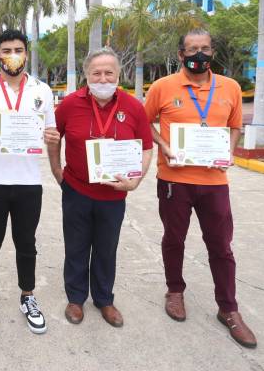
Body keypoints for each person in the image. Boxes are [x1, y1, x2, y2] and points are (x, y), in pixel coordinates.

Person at [144, 28, 256, 348]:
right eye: (192, 49)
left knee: (221, 246)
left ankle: (229, 309)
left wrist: (229, 152)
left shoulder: (230, 87)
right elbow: (145, 120)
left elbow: (235, 127)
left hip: (214, 182)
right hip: (174, 180)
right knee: (174, 239)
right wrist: (164, 146)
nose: (199, 55)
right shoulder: (163, 87)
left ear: (213, 52)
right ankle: (175, 291)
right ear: (180, 54)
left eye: (205, 48)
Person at [47, 47, 153, 328]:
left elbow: (146, 148)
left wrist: (137, 179)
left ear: (119, 75)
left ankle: (104, 299)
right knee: (76, 246)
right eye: (97, 72)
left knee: (107, 248)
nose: (103, 78)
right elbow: (54, 139)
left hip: (113, 195)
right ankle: (75, 298)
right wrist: (57, 170)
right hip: (77, 190)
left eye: (109, 72)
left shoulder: (133, 107)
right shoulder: (69, 104)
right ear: (86, 75)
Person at [0, 29, 60, 335]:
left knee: (26, 243)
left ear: (27, 54)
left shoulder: (42, 90)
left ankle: (27, 296)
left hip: (29, 182)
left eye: (18, 49)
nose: (13, 55)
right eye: (6, 50)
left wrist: (52, 137)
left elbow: (52, 132)